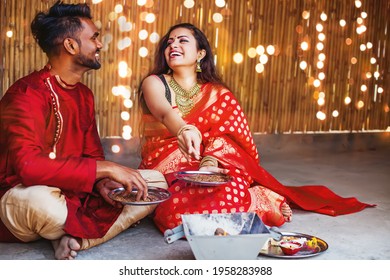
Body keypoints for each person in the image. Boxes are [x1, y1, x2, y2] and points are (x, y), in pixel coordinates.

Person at [138, 23, 374, 233]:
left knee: (228, 188)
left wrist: (209, 162)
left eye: (182, 40)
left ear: (200, 53)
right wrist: (183, 130)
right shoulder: (156, 82)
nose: (173, 45)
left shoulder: (219, 94)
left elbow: (232, 139)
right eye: (169, 42)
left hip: (211, 167)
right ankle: (254, 205)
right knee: (171, 215)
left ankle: (258, 197)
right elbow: (164, 111)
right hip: (168, 169)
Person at [0, 1, 167, 260]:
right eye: (94, 38)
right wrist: (108, 168)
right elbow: (28, 167)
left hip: (74, 196)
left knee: (155, 182)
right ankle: (78, 232)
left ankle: (71, 237)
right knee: (45, 205)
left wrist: (104, 183)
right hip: (25, 198)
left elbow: (91, 157)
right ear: (70, 45)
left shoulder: (84, 95)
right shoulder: (26, 94)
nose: (99, 45)